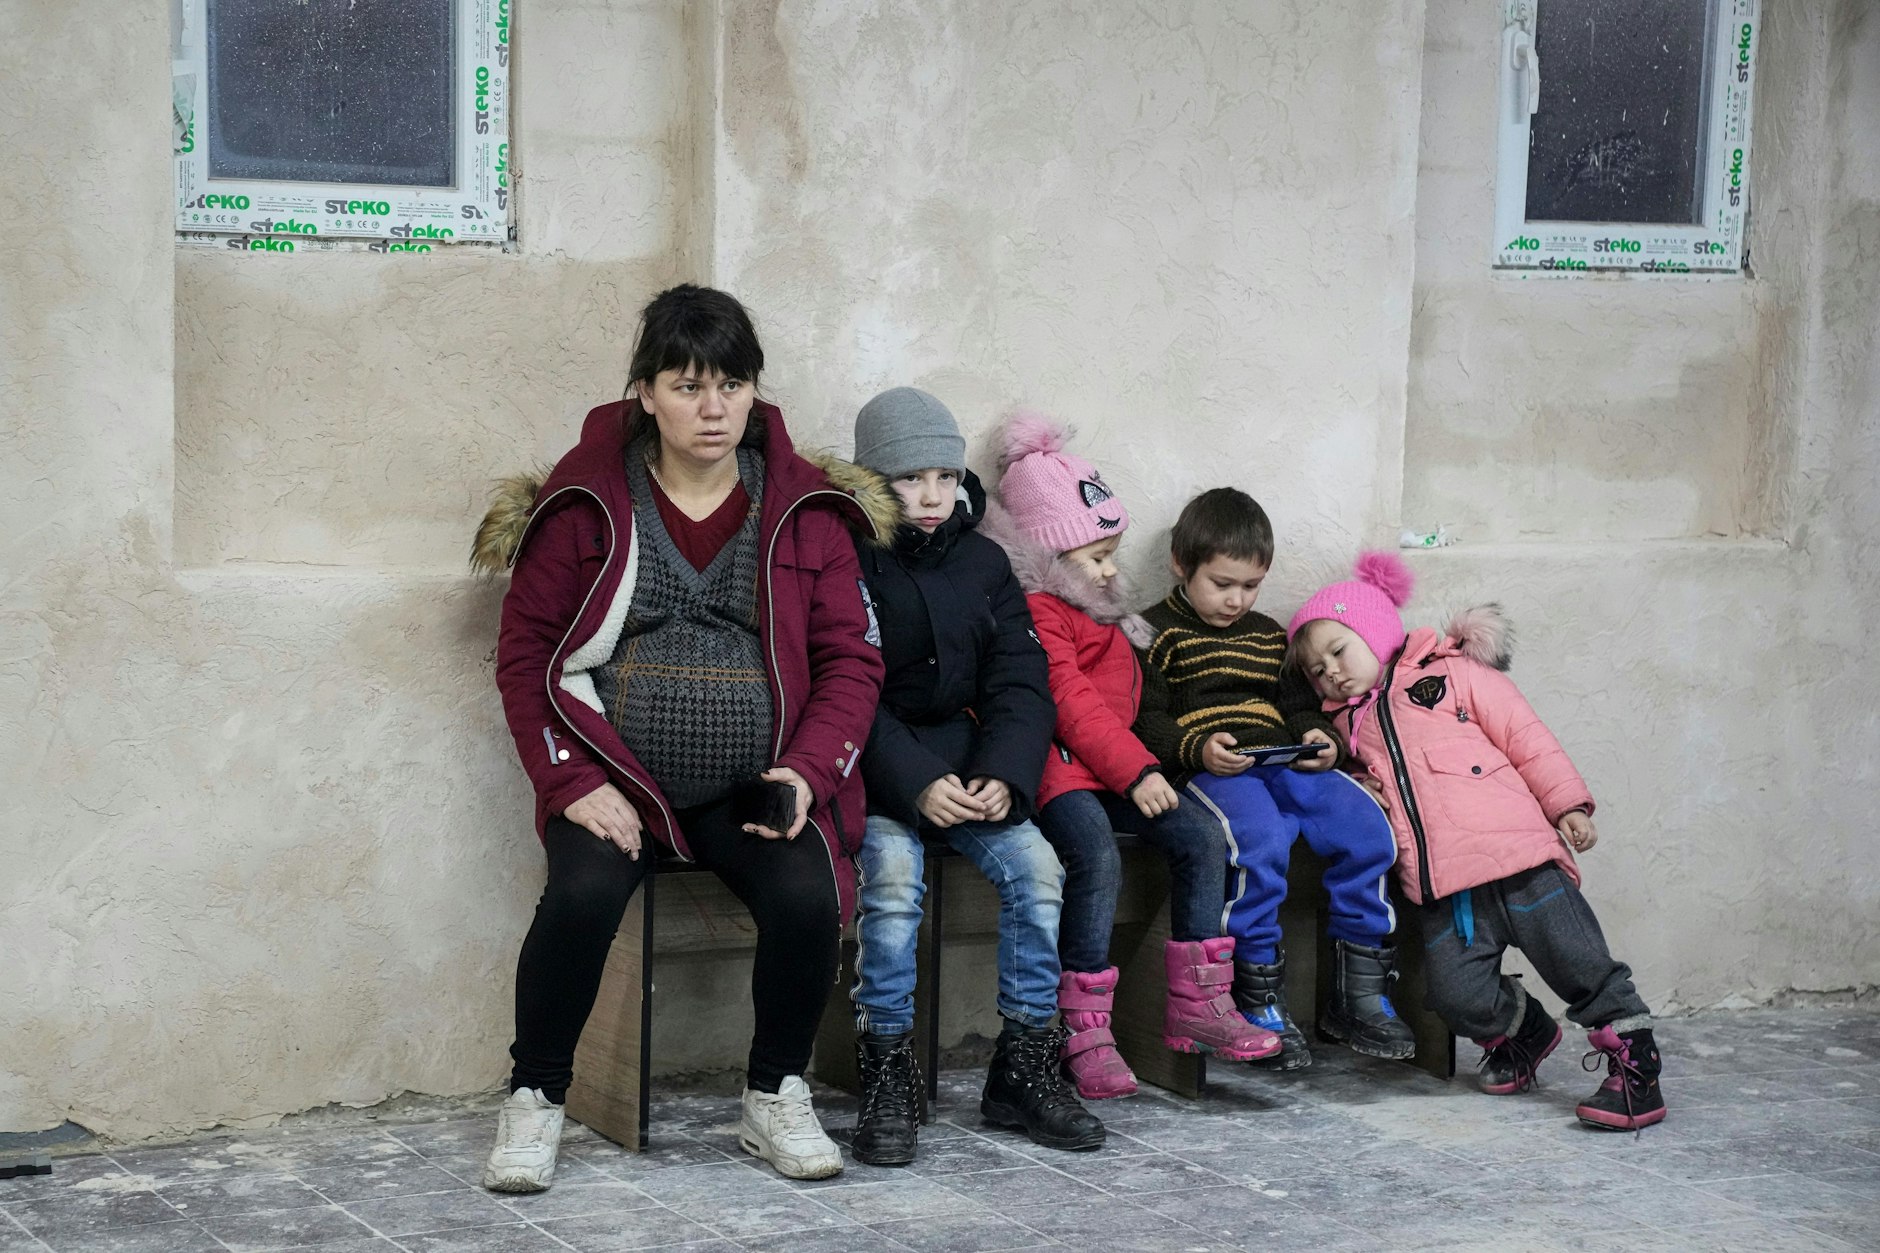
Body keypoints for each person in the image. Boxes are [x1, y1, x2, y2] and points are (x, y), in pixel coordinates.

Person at [469, 285, 892, 1188]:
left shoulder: (806, 509)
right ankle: (535, 1098)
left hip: (752, 783)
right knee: (581, 893)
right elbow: (526, 656)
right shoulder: (584, 504)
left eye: (731, 385)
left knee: (809, 896)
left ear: (754, 391)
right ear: (646, 393)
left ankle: (774, 1093)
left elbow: (852, 661)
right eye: (688, 385)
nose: (713, 408)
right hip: (617, 780)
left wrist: (807, 774)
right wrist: (574, 784)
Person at [1289, 553, 1666, 1131]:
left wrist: (1566, 804)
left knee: (1580, 963)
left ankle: (1637, 1065)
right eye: (1317, 670)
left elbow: (1525, 736)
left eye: (1339, 651)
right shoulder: (1345, 727)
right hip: (1447, 888)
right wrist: (1359, 786)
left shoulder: (1452, 673)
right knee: (1455, 995)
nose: (1332, 673)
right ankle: (1524, 1032)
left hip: (1522, 863)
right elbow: (1368, 787)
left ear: (1376, 630)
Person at [980, 415, 1280, 1101]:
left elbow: (1127, 696)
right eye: (1096, 557)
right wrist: (1138, 770)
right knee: (1096, 855)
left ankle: (1199, 1003)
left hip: (1112, 768)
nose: (1111, 569)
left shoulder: (1098, 608)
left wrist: (1150, 762)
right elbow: (1070, 701)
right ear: (1049, 554)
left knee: (1201, 836)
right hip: (1060, 771)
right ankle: (1081, 1030)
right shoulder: (1039, 610)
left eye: (1111, 552)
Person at [844, 387, 1104, 1165]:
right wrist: (915, 779)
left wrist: (1004, 772)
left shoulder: (984, 561)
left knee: (1039, 871)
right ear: (870, 481)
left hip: (970, 770)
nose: (931, 495)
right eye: (909, 478)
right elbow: (844, 688)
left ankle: (1023, 1066)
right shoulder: (845, 558)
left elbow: (1020, 680)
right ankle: (886, 1068)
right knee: (893, 879)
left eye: (945, 476)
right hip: (879, 775)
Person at [1131, 489, 1416, 1069]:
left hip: (1284, 760)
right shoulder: (1152, 633)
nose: (1237, 600)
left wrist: (1321, 738)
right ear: (1181, 564)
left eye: (1252, 586)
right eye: (1222, 584)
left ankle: (1359, 992)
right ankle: (1256, 993)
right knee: (1259, 840)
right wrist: (1197, 748)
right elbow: (1143, 718)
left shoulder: (1266, 635)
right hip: (1214, 770)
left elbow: (1297, 704)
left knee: (1367, 826)